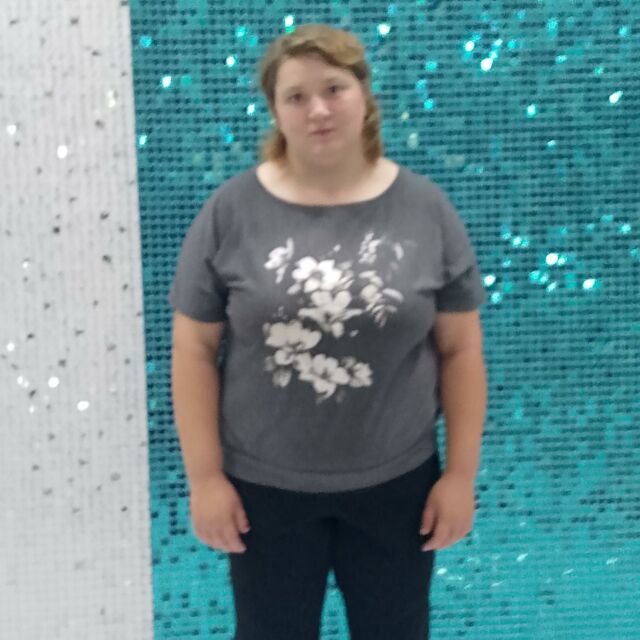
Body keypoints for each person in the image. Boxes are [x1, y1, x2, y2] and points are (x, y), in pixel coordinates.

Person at [169, 23, 487, 640]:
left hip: (400, 486)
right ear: (275, 111)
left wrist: (460, 476)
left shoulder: (427, 209)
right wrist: (205, 478)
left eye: (333, 88)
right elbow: (193, 350)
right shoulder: (229, 212)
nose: (317, 109)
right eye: (296, 96)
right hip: (262, 492)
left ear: (364, 94)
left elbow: (461, 349)